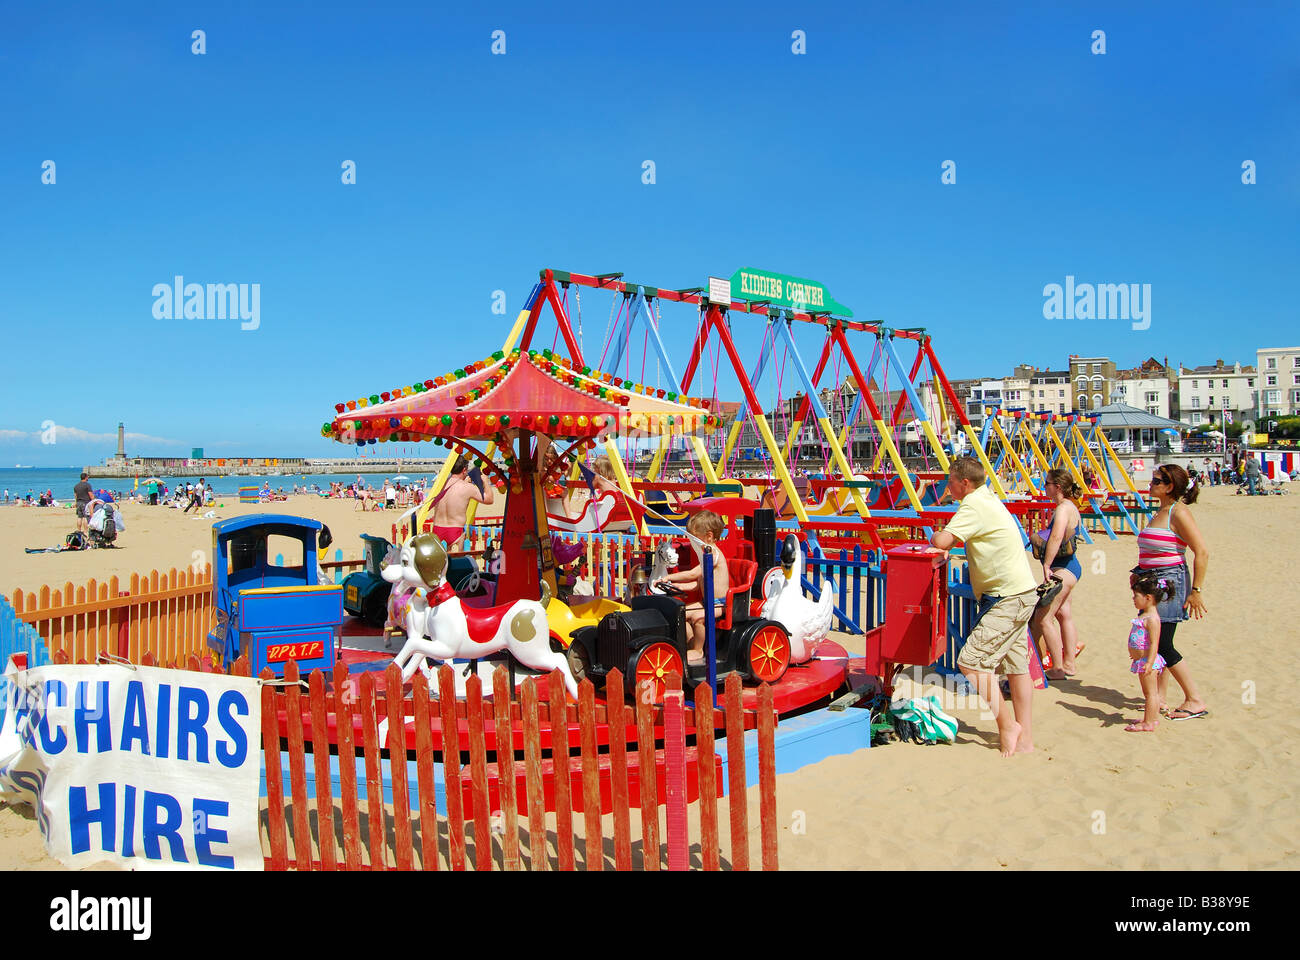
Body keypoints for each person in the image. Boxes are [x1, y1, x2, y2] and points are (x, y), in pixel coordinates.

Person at [929, 457, 1039, 757]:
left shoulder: (973, 505)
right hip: (1021, 591)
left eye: (950, 480)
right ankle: (1025, 738)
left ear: (965, 483)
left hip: (1007, 596)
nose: (946, 485)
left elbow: (943, 541)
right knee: (1017, 669)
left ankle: (1007, 725)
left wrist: (936, 533)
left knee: (971, 661)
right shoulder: (988, 497)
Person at [1135, 464, 1209, 720]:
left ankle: (1194, 699)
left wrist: (1196, 590)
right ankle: (1162, 698)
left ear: (1169, 487)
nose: (1151, 483)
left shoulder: (1178, 512)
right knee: (1156, 640)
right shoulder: (1161, 510)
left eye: (1156, 481)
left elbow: (1201, 551)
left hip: (1170, 582)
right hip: (1152, 584)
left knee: (1162, 643)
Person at [1027, 468, 1084, 680]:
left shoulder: (1062, 509)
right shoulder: (1071, 507)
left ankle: (1058, 668)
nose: (1044, 487)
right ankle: (1069, 663)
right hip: (1071, 566)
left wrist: (1046, 565)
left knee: (1043, 618)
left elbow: (1057, 536)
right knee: (1064, 614)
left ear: (1057, 487)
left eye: (1047, 483)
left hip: (1062, 567)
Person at [655, 509, 729, 664]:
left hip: (719, 603)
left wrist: (668, 576)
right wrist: (674, 585)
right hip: (705, 602)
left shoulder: (713, 554)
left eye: (695, 538)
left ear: (708, 536)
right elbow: (697, 584)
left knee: (697, 617)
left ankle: (699, 649)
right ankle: (691, 641)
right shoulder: (705, 556)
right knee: (680, 613)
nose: (692, 542)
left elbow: (692, 574)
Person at [1124, 570, 1172, 732]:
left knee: (1151, 694)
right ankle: (1150, 718)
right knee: (1148, 693)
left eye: (1136, 596)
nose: (1133, 599)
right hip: (1141, 661)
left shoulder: (1152, 619)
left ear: (1148, 598)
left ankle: (1149, 723)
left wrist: (1150, 662)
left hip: (1147, 662)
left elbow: (1154, 643)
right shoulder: (1145, 616)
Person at [429, 457, 494, 548]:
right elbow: (489, 499)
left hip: (437, 529)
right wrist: (486, 482)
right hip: (455, 530)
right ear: (464, 470)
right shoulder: (467, 487)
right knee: (458, 560)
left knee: (441, 561)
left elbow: (452, 491)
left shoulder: (440, 484)